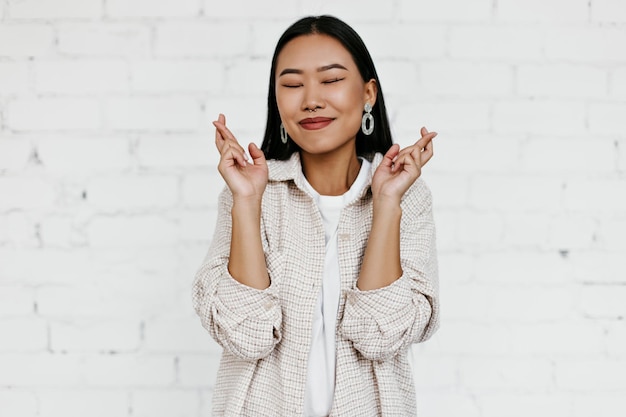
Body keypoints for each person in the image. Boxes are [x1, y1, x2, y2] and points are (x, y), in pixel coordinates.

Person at [192, 15, 439, 416]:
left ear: (368, 94)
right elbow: (246, 334)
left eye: (331, 80)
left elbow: (383, 335)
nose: (310, 99)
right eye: (291, 84)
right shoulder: (252, 191)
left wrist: (387, 201)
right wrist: (247, 201)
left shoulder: (406, 195)